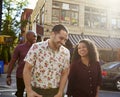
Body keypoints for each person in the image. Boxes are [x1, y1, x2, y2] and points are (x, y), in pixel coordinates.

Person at [23, 24, 70, 97]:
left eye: (65, 40)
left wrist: (60, 92)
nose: (63, 42)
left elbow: (65, 73)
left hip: (55, 92)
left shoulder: (66, 52)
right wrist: (29, 91)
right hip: (36, 92)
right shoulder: (36, 47)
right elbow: (27, 69)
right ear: (52, 34)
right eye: (61, 38)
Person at [6, 30, 37, 97]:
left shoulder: (37, 48)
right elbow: (12, 62)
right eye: (34, 36)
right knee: (20, 93)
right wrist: (8, 75)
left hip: (33, 77)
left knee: (30, 94)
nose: (35, 37)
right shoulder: (19, 48)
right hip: (21, 75)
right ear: (28, 36)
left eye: (36, 36)